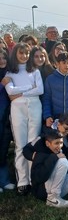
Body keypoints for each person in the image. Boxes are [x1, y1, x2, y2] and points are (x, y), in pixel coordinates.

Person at [5, 42, 44, 195]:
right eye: (21, 53)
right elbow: (10, 91)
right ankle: (22, 181)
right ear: (15, 54)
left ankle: (33, 178)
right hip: (17, 109)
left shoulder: (34, 71)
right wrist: (29, 88)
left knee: (33, 142)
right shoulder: (10, 73)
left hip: (34, 107)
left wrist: (20, 92)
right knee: (20, 144)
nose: (24, 56)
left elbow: (40, 89)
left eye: (26, 54)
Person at [42, 52, 68, 129]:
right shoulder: (50, 79)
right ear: (58, 63)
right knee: (58, 138)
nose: (67, 65)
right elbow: (46, 99)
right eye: (64, 63)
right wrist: (47, 116)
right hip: (56, 118)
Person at [0, 49, 15, 192]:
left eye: (4, 58)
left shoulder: (10, 73)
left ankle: (4, 181)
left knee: (3, 149)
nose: (2, 61)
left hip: (7, 117)